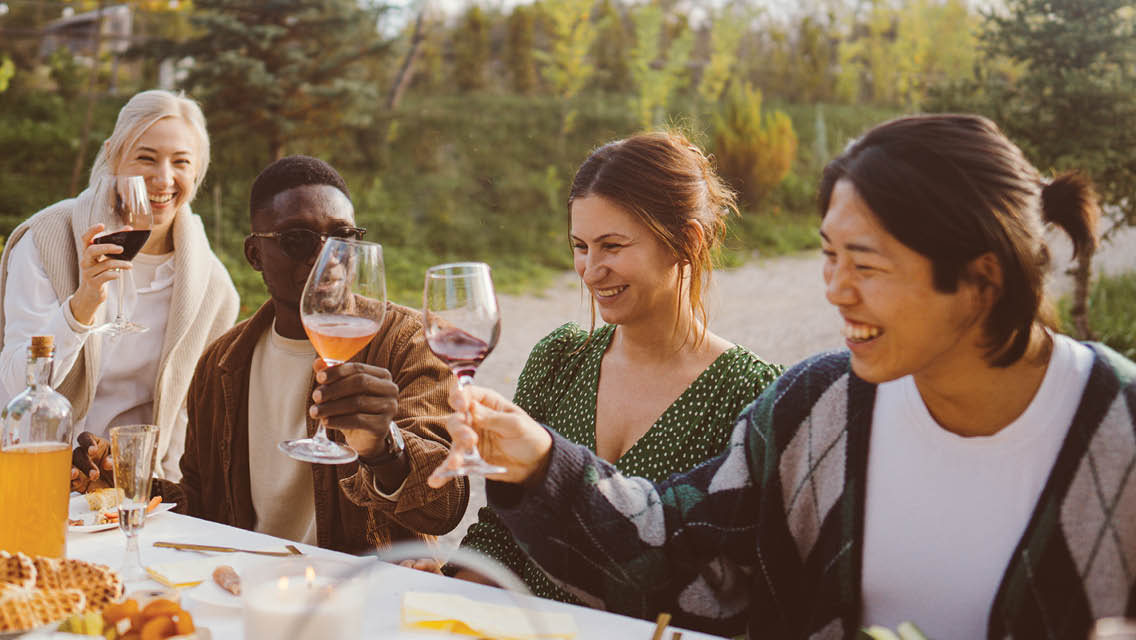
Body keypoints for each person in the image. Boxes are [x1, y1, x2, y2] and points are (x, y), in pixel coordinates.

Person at [429, 115, 1136, 639]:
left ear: (981, 278)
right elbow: (673, 548)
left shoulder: (1119, 433)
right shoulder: (816, 407)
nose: (835, 289)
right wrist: (541, 463)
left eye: (865, 264)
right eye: (827, 256)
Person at [430, 132, 781, 604]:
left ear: (686, 241)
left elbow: (728, 586)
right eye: (581, 246)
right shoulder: (560, 360)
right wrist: (443, 596)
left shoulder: (749, 394)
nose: (591, 270)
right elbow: (503, 535)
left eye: (612, 246)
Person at [74, 156, 469, 553]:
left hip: (363, 594)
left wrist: (384, 447)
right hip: (247, 589)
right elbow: (204, 507)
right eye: (298, 238)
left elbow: (446, 506)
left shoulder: (410, 342)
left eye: (342, 238)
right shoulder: (221, 363)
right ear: (255, 255)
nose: (326, 257)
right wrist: (122, 477)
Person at [0, 90, 238, 479]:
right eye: (146, 157)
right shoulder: (48, 239)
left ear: (197, 172)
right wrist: (81, 307)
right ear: (113, 155)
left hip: (135, 490)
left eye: (181, 162)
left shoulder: (213, 288)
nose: (164, 178)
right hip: (34, 470)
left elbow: (187, 422)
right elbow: (15, 386)